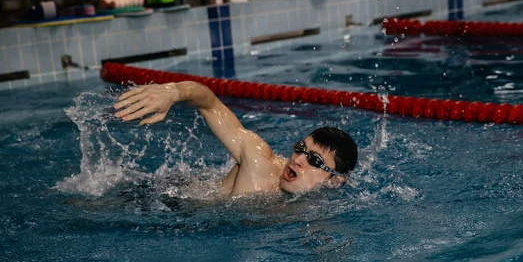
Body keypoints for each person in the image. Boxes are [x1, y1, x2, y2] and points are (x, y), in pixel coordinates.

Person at [114, 81, 358, 196]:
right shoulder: (259, 160)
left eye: (314, 160)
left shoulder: (317, 207)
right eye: (300, 149)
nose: (297, 160)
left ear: (335, 181)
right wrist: (175, 92)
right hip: (161, 201)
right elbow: (209, 103)